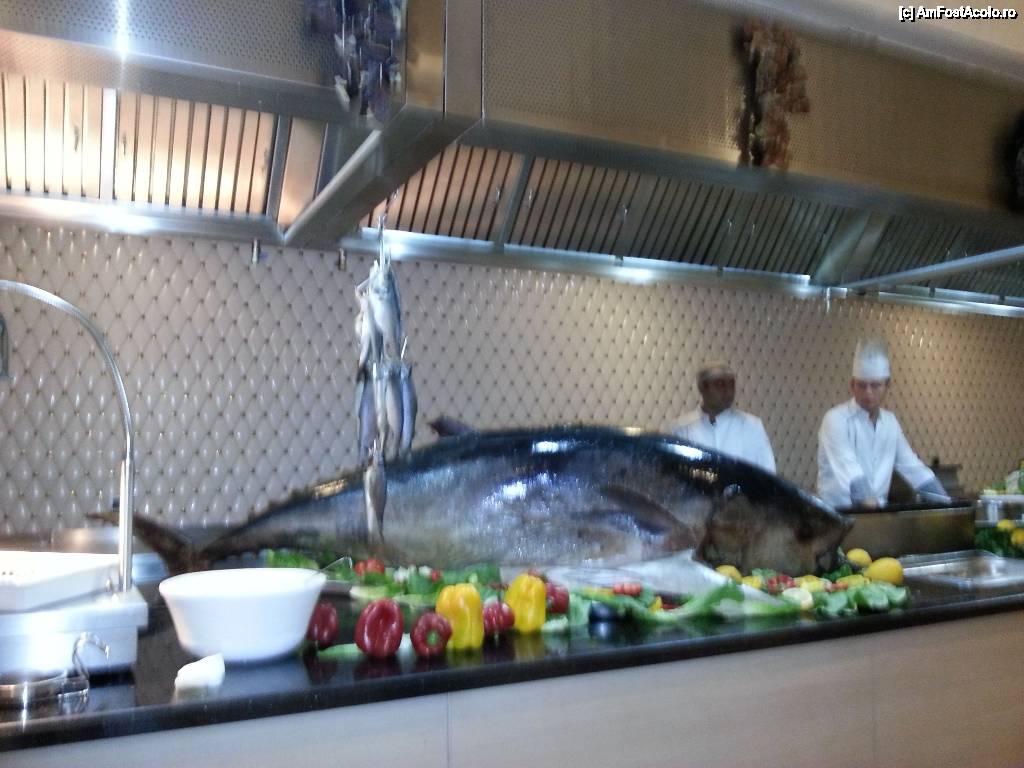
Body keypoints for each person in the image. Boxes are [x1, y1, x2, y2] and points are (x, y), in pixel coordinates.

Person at [816, 339, 949, 508]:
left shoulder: (890, 422)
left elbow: (913, 468)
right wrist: (876, 515)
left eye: (875, 385)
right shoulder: (835, 420)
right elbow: (852, 475)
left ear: (887, 385)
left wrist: (948, 505)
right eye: (862, 385)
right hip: (838, 515)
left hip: (876, 514)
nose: (868, 393)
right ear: (852, 385)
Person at [667, 361, 777, 473]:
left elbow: (768, 473)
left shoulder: (751, 426)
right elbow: (672, 473)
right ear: (702, 387)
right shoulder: (681, 429)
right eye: (720, 384)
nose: (728, 391)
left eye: (731, 385)